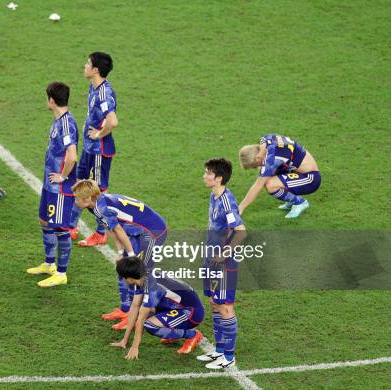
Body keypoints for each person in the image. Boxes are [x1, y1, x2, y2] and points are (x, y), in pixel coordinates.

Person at [71, 179, 167, 330]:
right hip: (137, 230)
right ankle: (126, 310)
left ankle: (149, 311)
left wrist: (130, 255)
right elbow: (111, 229)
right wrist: (121, 252)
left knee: (137, 273)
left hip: (153, 232)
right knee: (123, 269)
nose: (75, 201)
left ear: (88, 198)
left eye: (77, 198)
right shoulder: (95, 204)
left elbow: (120, 231)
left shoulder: (100, 208)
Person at [26, 82, 78, 287]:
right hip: (50, 185)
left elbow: (72, 156)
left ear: (52, 100)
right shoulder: (59, 121)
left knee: (60, 228)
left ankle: (61, 273)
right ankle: (49, 263)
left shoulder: (66, 124)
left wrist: (63, 177)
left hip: (60, 188)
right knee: (45, 221)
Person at [197, 158, 246, 369]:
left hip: (223, 264)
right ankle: (218, 351)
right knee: (215, 303)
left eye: (208, 173)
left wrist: (225, 254)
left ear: (219, 178)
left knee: (225, 307)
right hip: (211, 258)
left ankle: (229, 356)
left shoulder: (227, 201)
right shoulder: (213, 195)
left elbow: (241, 232)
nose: (204, 176)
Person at [68, 52, 119, 247]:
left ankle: (100, 233)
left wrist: (98, 134)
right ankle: (71, 226)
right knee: (79, 183)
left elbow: (113, 121)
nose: (85, 66)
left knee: (97, 192)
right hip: (89, 149)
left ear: (96, 70)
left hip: (100, 150)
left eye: (88, 63)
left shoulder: (104, 93)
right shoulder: (94, 87)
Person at [110, 256, 205, 359]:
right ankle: (173, 333)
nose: (123, 280)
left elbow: (141, 319)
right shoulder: (142, 276)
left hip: (192, 312)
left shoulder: (152, 287)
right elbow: (134, 307)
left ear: (129, 278)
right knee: (145, 310)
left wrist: (134, 347)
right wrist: (124, 340)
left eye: (123, 277)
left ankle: (193, 335)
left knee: (150, 325)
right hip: (175, 307)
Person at [238, 134, 321, 218]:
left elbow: (257, 186)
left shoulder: (271, 160)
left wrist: (241, 207)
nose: (256, 167)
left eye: (254, 165)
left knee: (270, 184)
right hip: (298, 171)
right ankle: (291, 199)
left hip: (311, 179)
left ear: (257, 158)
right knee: (271, 173)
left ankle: (300, 202)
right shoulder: (265, 140)